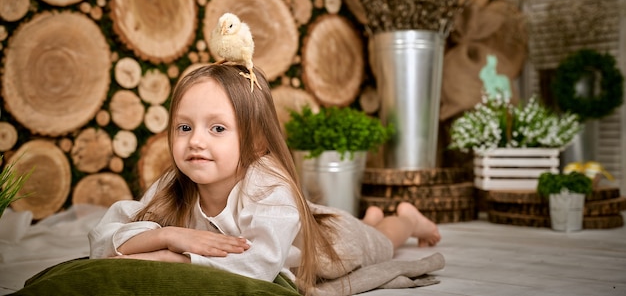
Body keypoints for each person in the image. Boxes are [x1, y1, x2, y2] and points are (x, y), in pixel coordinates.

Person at [89, 63, 440, 295]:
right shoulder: (172, 183)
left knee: (380, 241)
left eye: (217, 128)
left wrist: (169, 257)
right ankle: (373, 217)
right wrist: (169, 235)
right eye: (184, 127)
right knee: (370, 225)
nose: (195, 140)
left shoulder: (269, 184)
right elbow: (104, 238)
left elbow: (258, 265)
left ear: (257, 142)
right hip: (309, 222)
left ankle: (406, 218)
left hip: (330, 242)